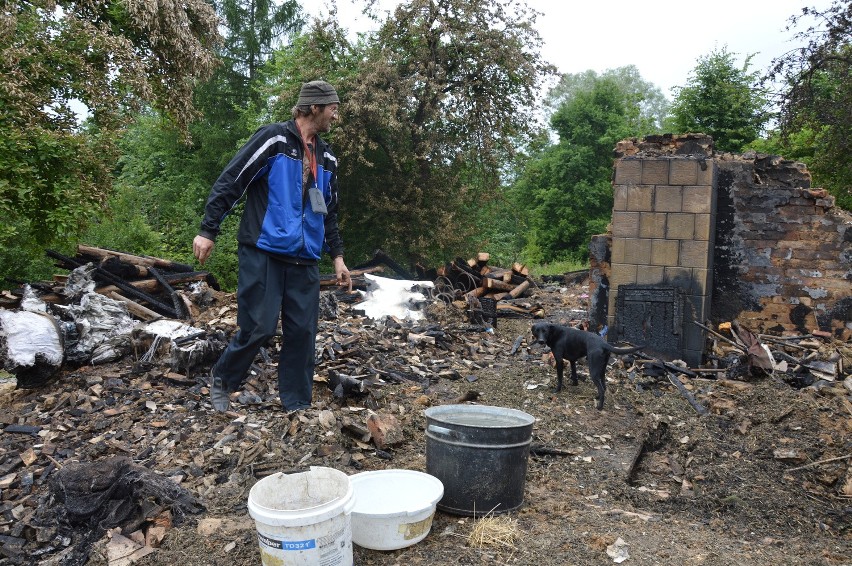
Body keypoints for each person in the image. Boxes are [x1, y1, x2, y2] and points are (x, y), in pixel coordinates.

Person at [193, 80, 351, 413]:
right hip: (264, 250)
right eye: (332, 108)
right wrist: (209, 229)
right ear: (314, 108)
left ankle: (296, 405)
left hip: (305, 259)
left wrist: (337, 257)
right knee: (259, 328)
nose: (336, 116)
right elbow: (232, 180)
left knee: (302, 334)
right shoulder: (274, 140)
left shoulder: (327, 158)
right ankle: (222, 381)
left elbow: (328, 212)